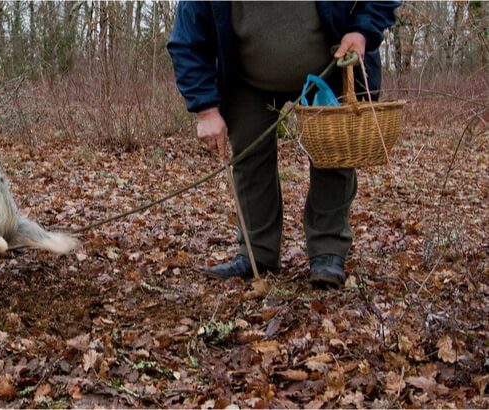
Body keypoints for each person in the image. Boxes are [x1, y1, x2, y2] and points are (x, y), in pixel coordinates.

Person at [167, 2, 400, 287]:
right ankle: (257, 254)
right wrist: (205, 109)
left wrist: (362, 30)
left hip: (329, 65)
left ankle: (328, 251)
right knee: (248, 158)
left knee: (334, 155)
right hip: (247, 78)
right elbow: (188, 39)